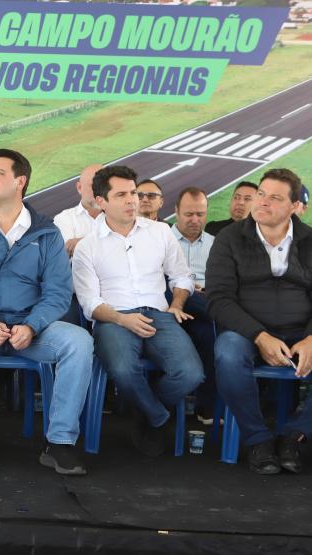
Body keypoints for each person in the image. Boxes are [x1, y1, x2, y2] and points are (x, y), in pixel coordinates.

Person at [0, 149, 93, 475]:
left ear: (20, 181)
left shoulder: (47, 232)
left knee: (79, 341)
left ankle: (61, 442)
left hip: (32, 329)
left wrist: (33, 326)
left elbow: (57, 293)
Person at [72, 165, 204, 457]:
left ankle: (146, 412)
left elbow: (182, 277)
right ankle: (159, 417)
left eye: (133, 192)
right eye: (121, 195)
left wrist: (177, 305)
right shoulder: (88, 247)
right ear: (102, 201)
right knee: (122, 369)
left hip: (160, 313)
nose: (132, 200)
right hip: (113, 318)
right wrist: (122, 319)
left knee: (191, 373)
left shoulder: (160, 232)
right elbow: (89, 303)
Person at [207, 168, 312, 475]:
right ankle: (258, 439)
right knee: (227, 352)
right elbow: (218, 298)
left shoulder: (310, 241)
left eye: (275, 198)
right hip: (246, 332)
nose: (262, 202)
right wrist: (259, 336)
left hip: (301, 332)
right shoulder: (229, 238)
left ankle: (294, 436)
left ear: (294, 206)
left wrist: (310, 339)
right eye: (261, 194)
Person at [171, 187, 217, 424]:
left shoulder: (217, 244)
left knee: (210, 335)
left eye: (200, 214)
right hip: (170, 307)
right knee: (188, 293)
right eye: (189, 214)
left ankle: (205, 404)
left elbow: (223, 283)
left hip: (202, 312)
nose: (195, 220)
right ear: (176, 211)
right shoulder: (161, 239)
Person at [52, 163, 104, 258]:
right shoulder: (64, 218)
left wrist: (81, 242)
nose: (100, 191)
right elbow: (69, 255)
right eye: (94, 186)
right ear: (79, 188)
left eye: (104, 186)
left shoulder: (119, 214)